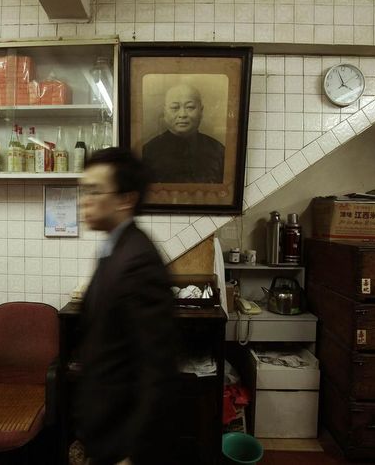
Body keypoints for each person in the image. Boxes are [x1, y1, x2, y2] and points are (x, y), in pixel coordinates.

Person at [75, 147, 179, 465]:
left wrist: (133, 452)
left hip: (123, 439)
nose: (84, 200)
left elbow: (157, 366)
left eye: (95, 191)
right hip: (104, 424)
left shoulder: (138, 261)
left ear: (125, 199)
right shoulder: (115, 248)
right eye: (83, 190)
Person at [142, 83, 225, 183]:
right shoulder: (148, 152)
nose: (182, 115)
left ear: (201, 111)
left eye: (190, 107)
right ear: (165, 111)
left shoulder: (218, 151)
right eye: (175, 108)